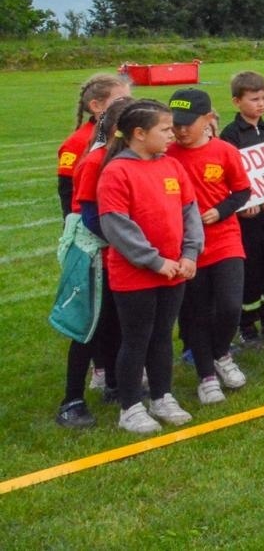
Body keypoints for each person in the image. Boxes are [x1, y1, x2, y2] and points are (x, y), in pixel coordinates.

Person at [95, 98, 202, 435]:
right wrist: (155, 261)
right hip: (136, 276)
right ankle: (130, 407)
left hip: (175, 271)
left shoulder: (171, 166)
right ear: (139, 134)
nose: (173, 134)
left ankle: (162, 396)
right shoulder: (116, 172)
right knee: (136, 339)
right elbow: (116, 226)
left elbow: (190, 212)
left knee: (162, 337)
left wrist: (189, 254)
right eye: (165, 129)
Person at [165, 88, 252, 407]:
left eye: (189, 123)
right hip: (186, 248)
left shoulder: (225, 151)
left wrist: (222, 210)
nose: (181, 130)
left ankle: (220, 353)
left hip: (225, 239)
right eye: (175, 124)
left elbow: (242, 191)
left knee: (230, 306)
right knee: (196, 312)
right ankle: (206, 376)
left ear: (208, 120)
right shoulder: (166, 155)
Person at [54, 97, 133, 429]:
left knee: (115, 322)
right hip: (93, 256)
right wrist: (130, 240)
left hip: (119, 253)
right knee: (87, 327)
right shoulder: (93, 162)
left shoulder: (129, 161)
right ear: (120, 130)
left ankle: (114, 383)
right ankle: (71, 400)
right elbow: (89, 215)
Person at [220, 71, 264, 345]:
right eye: (254, 99)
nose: (260, 104)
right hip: (249, 219)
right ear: (237, 102)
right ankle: (247, 324)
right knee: (251, 268)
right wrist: (257, 202)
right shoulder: (231, 135)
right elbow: (231, 176)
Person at [57, 73, 131, 218]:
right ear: (96, 105)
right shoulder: (77, 143)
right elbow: (67, 191)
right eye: (120, 100)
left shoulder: (128, 133)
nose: (127, 105)